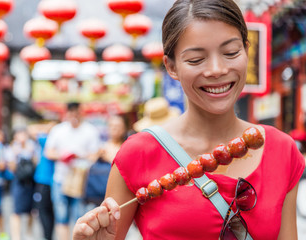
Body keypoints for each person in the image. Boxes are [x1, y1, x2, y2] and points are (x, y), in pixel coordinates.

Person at [72, 0, 306, 239]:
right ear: (171, 66)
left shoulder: (281, 150)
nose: (216, 69)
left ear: (247, 50)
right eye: (196, 59)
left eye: (231, 53)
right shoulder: (138, 153)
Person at [45, 101, 101, 240]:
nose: (74, 116)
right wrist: (63, 156)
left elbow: (95, 154)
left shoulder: (90, 130)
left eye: (77, 112)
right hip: (60, 179)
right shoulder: (58, 130)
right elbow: (48, 152)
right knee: (61, 217)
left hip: (81, 180)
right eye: (71, 112)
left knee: (80, 218)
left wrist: (79, 156)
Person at [27, 121, 58, 240]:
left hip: (45, 181)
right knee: (48, 211)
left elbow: (31, 128)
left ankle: (47, 236)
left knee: (44, 210)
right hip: (48, 181)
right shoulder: (50, 140)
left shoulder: (47, 140)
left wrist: (48, 127)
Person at [7, 128, 37, 240]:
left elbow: (36, 163)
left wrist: (31, 153)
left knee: (32, 210)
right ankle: (16, 236)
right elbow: (11, 167)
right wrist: (16, 154)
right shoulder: (12, 148)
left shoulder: (32, 147)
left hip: (31, 181)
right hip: (19, 182)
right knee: (16, 210)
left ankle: (29, 234)